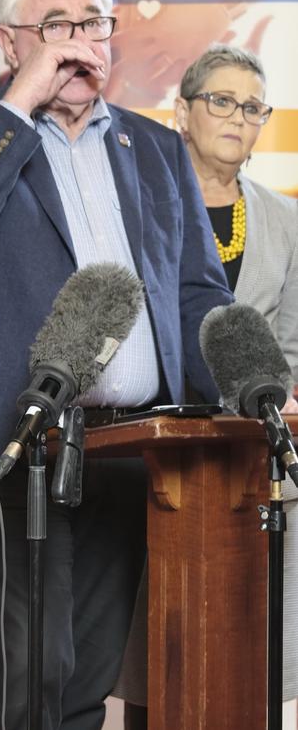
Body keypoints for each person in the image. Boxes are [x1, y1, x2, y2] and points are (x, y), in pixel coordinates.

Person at [0, 0, 233, 730]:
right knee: (21, 679)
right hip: (7, 442)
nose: (83, 45)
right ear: (12, 44)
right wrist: (19, 106)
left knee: (86, 677)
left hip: (127, 446)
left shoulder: (154, 146)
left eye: (96, 24)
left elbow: (196, 289)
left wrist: (245, 383)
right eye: (57, 27)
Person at [115, 43, 298, 724]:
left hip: (251, 462)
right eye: (221, 100)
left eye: (252, 106)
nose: (238, 117)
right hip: (155, 458)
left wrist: (271, 401)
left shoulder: (285, 219)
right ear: (181, 112)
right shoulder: (137, 203)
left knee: (251, 656)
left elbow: (291, 345)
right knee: (157, 657)